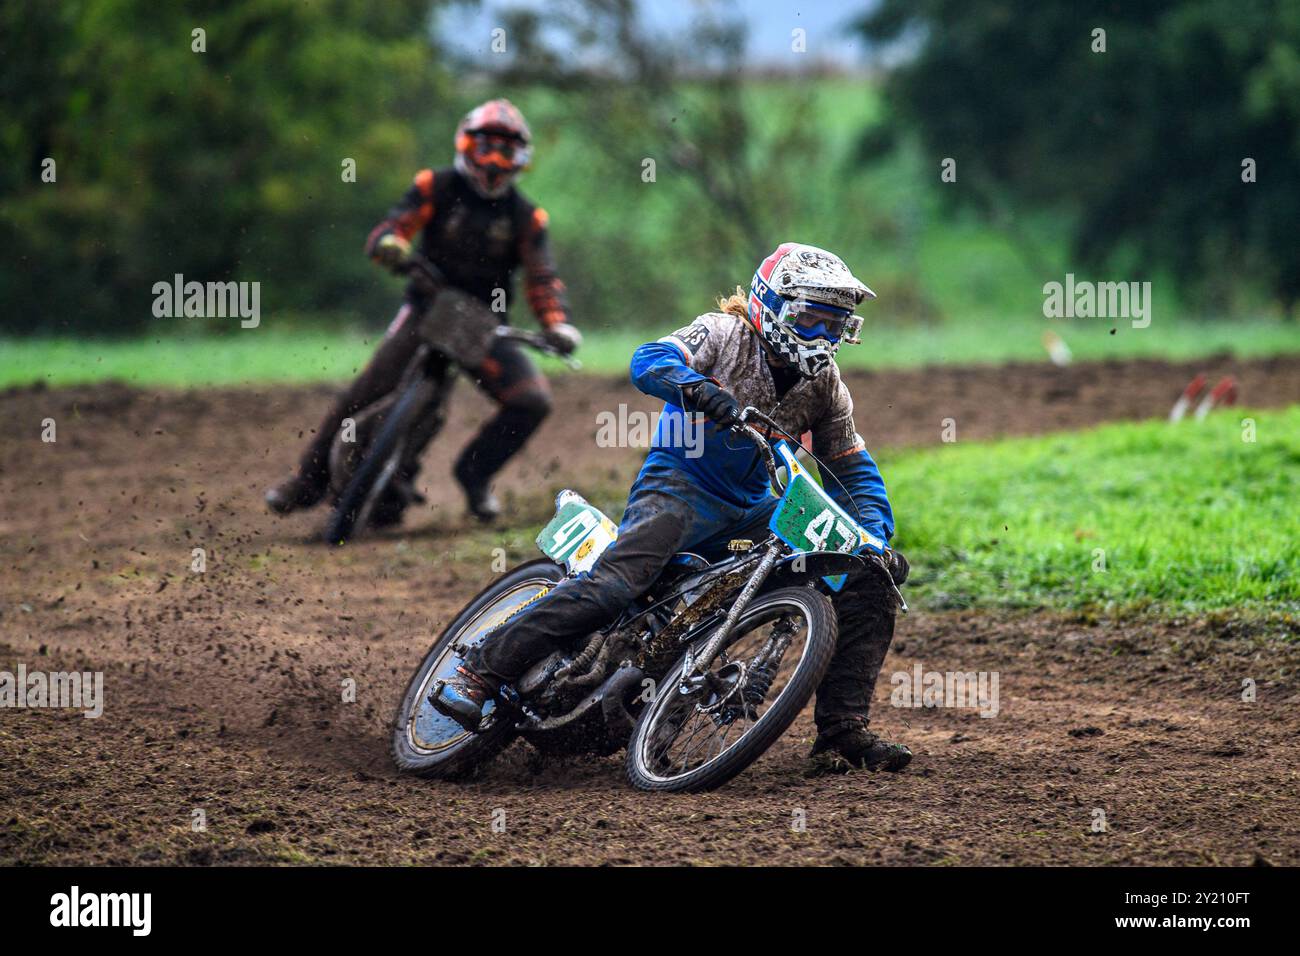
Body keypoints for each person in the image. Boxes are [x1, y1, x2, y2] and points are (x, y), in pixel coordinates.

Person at [433, 242, 912, 772]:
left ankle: (842, 732)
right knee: (619, 583)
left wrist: (874, 542)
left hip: (753, 510)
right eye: (812, 319)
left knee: (867, 580)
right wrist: (701, 391)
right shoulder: (724, 334)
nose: (824, 336)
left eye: (836, 324)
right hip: (678, 486)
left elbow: (853, 471)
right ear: (770, 305)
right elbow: (649, 360)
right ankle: (479, 669)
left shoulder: (826, 386)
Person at [266, 98, 581, 523]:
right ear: (466, 145)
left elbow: (542, 279)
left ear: (520, 160)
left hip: (483, 326)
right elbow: (394, 225)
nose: (493, 160)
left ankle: (474, 475)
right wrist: (391, 245)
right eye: (486, 146)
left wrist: (556, 324)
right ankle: (307, 481)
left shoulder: (527, 218)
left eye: (506, 151)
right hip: (427, 309)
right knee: (366, 391)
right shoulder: (436, 186)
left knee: (532, 401)